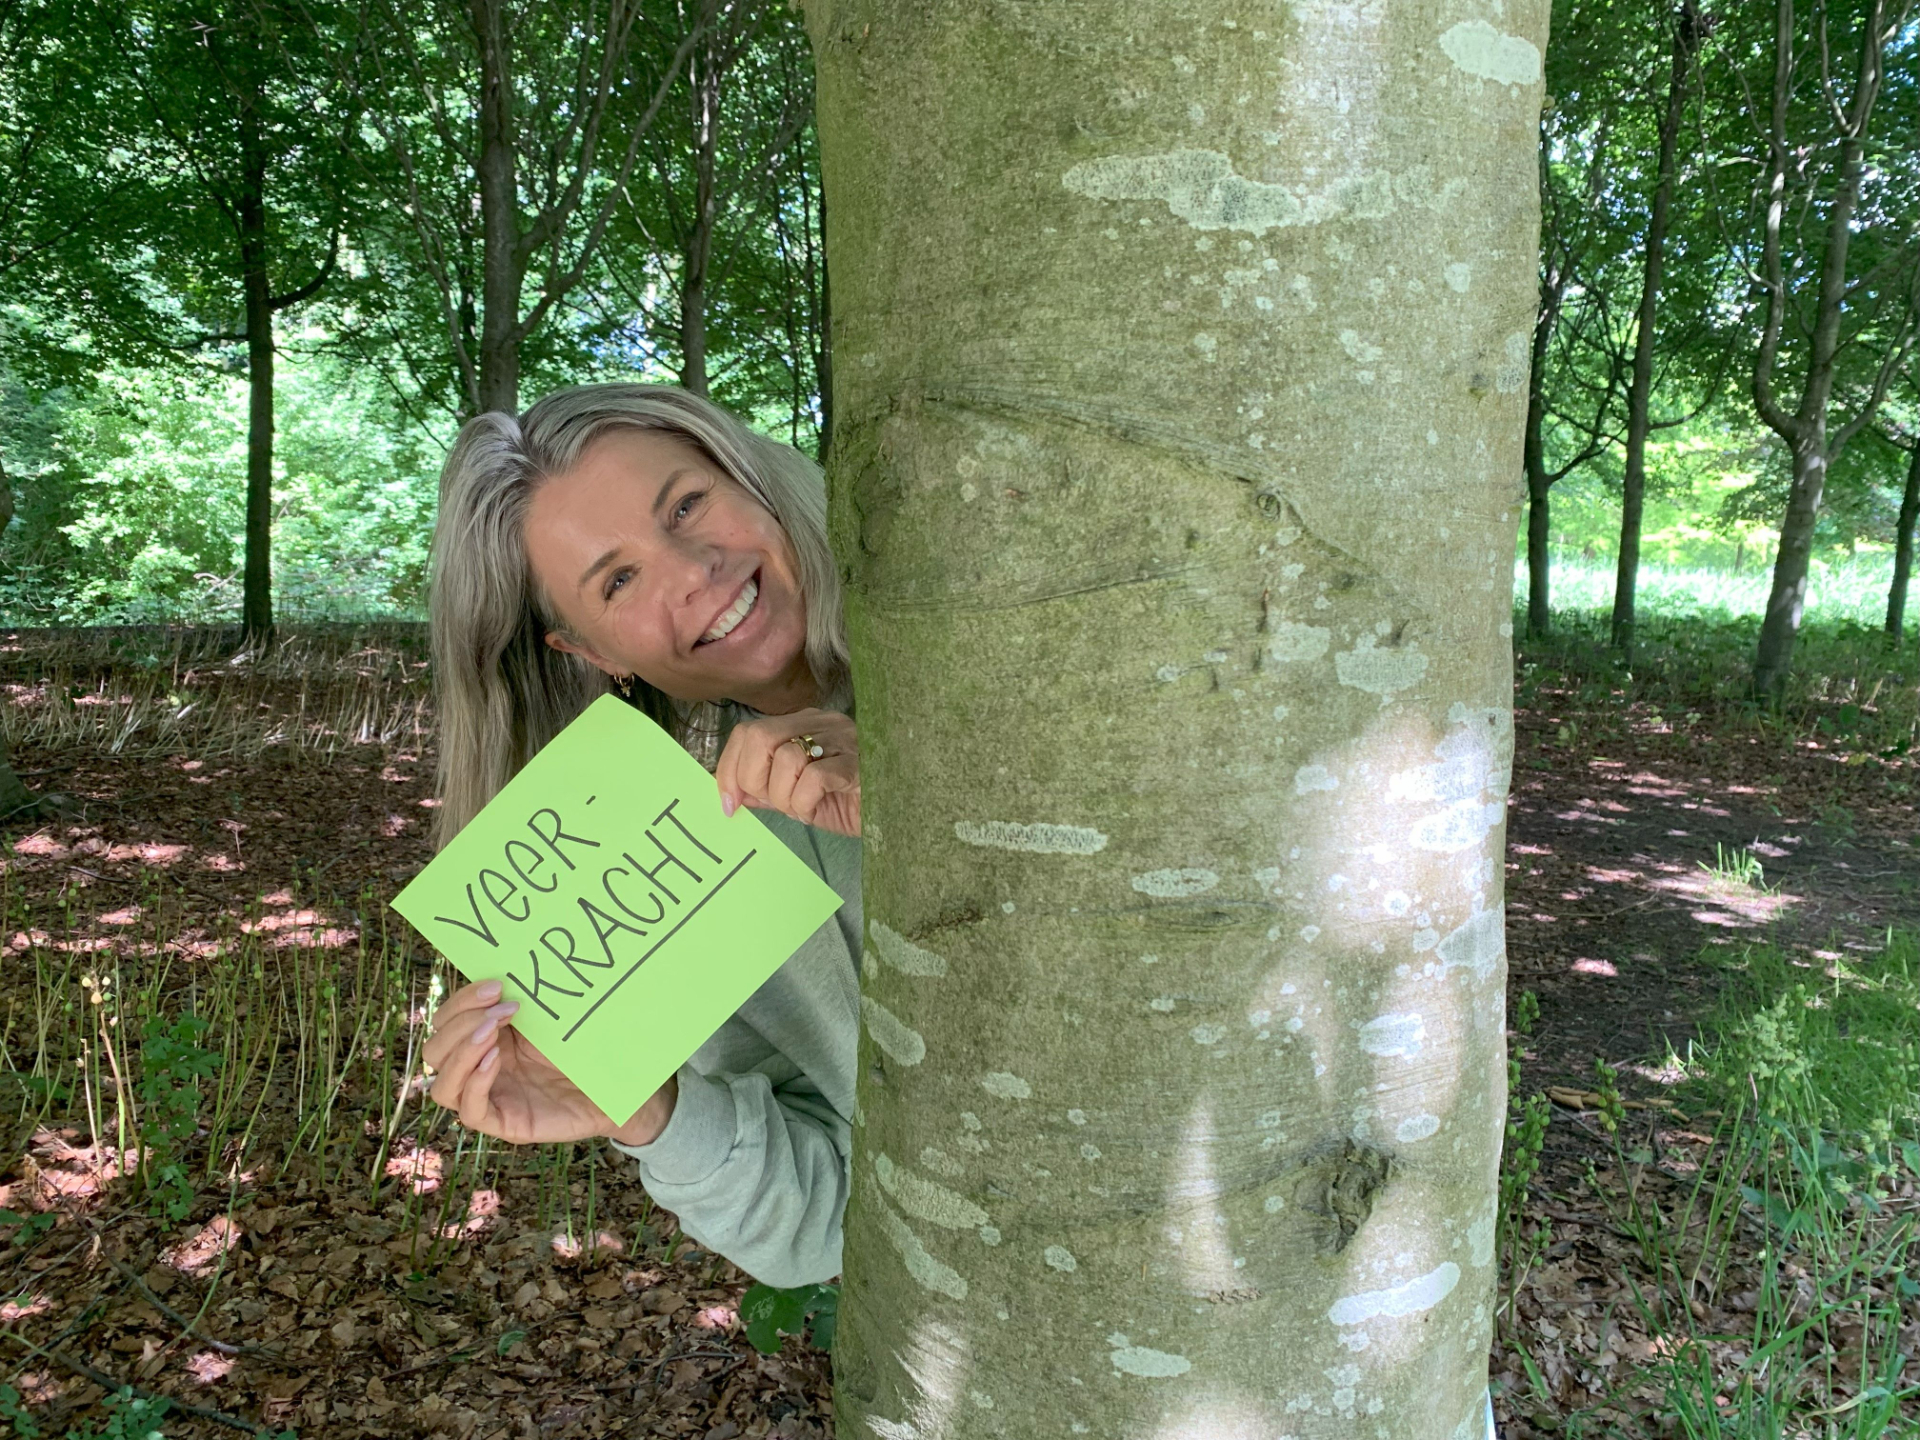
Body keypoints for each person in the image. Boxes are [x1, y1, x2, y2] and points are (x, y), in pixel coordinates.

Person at [418, 384, 861, 1288]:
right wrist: (654, 1112)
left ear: (752, 477)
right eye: (618, 580)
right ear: (595, 654)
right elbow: (830, 1230)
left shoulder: (998, 619)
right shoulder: (689, 872)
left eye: (687, 506)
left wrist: (920, 776)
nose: (692, 571)